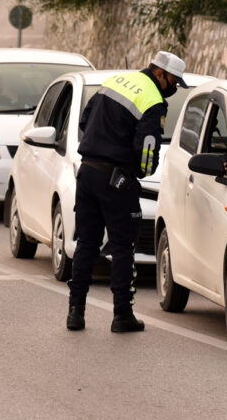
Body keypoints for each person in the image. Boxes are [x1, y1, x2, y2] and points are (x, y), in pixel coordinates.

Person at [67, 51, 188, 333]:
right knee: (122, 248)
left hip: (87, 172)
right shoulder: (153, 100)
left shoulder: (116, 80)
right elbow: (146, 149)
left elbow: (86, 120)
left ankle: (76, 313)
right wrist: (141, 172)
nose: (173, 88)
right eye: (173, 81)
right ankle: (122, 316)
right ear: (160, 74)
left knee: (87, 244)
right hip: (117, 181)